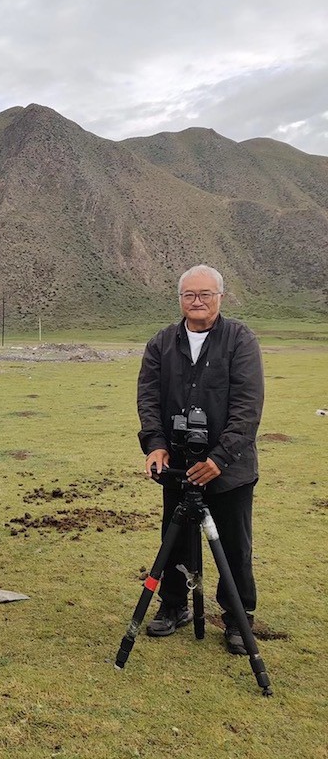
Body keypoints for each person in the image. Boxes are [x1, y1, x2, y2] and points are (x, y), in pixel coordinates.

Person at [137, 264, 264, 655]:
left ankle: (238, 619)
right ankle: (174, 606)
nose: (197, 302)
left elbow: (247, 406)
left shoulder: (239, 340)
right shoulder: (161, 343)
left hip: (229, 470)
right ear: (180, 300)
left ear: (220, 297)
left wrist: (221, 458)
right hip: (178, 465)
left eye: (205, 294)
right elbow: (148, 398)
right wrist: (155, 444)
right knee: (174, 540)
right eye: (190, 295)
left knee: (233, 546)